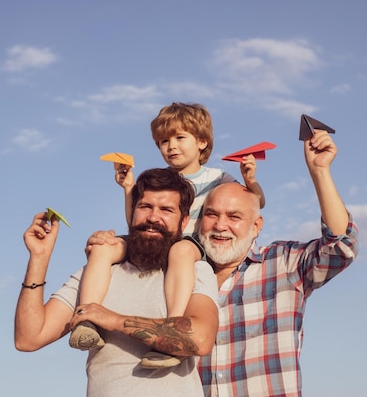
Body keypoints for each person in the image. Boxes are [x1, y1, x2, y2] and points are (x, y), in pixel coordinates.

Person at [88, 128, 360, 396]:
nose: (220, 226)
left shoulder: (283, 265)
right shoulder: (178, 276)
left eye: (234, 217)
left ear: (256, 226)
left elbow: (341, 247)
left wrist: (319, 171)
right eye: (211, 214)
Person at [73, 102, 266, 368]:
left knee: (181, 250)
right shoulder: (158, 179)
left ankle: (172, 330)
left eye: (179, 138)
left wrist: (250, 180)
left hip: (189, 244)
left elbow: (256, 202)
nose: (170, 146)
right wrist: (129, 187)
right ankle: (86, 319)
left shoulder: (219, 178)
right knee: (103, 247)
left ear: (201, 142)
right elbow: (135, 221)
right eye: (163, 141)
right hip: (153, 239)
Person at [15, 168, 219, 396]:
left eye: (166, 210)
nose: (153, 217)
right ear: (132, 212)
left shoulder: (195, 271)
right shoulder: (98, 272)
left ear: (183, 222)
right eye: (145, 207)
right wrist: (39, 257)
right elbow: (28, 338)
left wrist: (111, 319)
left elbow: (200, 339)